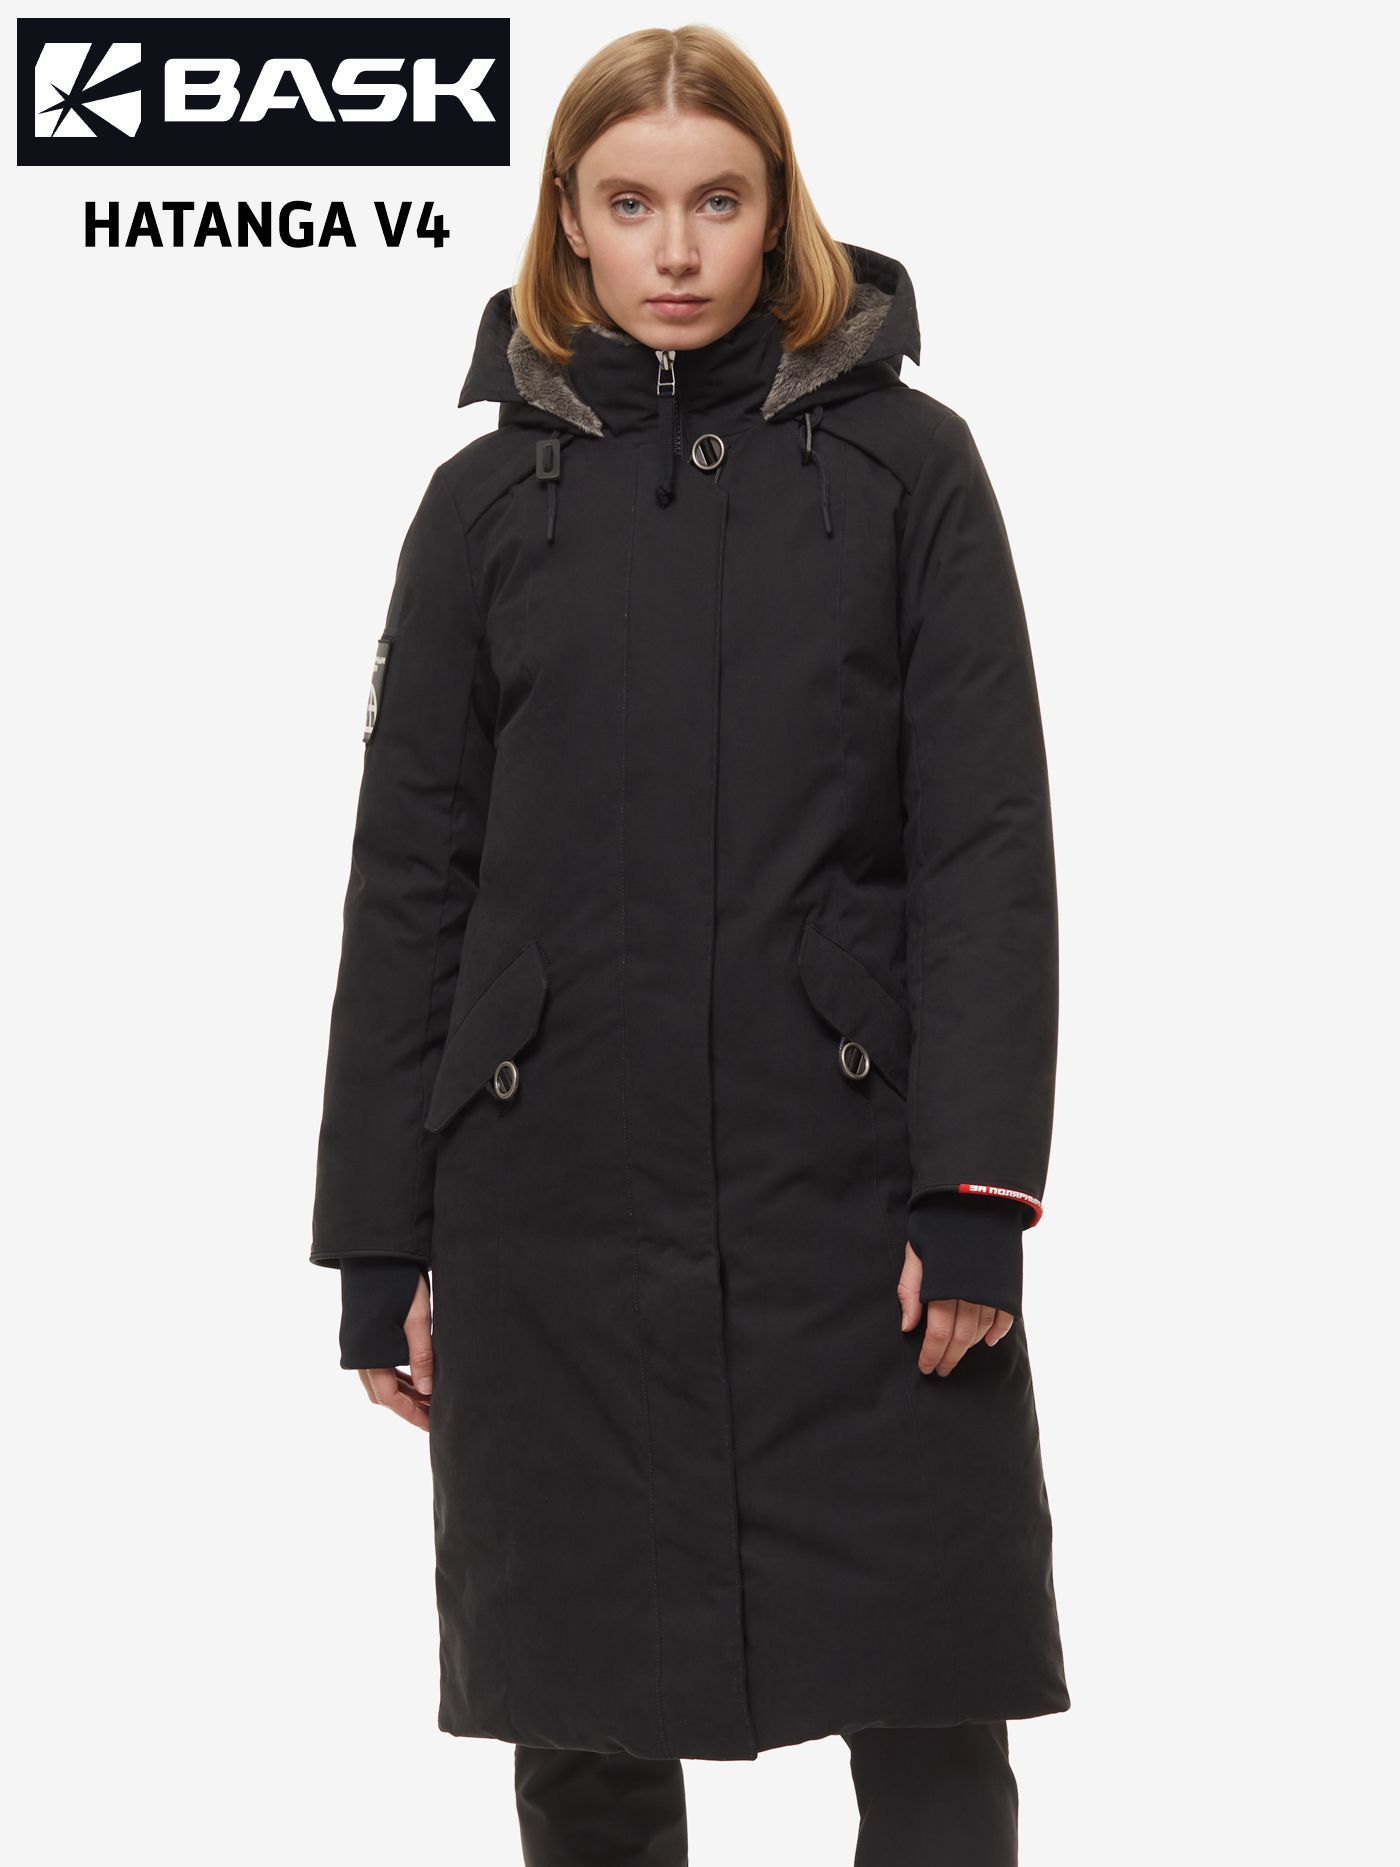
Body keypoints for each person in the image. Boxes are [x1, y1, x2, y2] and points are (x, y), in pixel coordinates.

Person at [310, 24, 1069, 1866]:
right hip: (550, 1198)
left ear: (776, 208)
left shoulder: (911, 471)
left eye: (716, 201)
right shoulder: (482, 506)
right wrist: (381, 1239)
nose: (675, 248)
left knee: (930, 1703)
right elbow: (411, 877)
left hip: (851, 1187)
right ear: (567, 222)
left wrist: (974, 1192)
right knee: (581, 1719)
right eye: (631, 204)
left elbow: (984, 840)